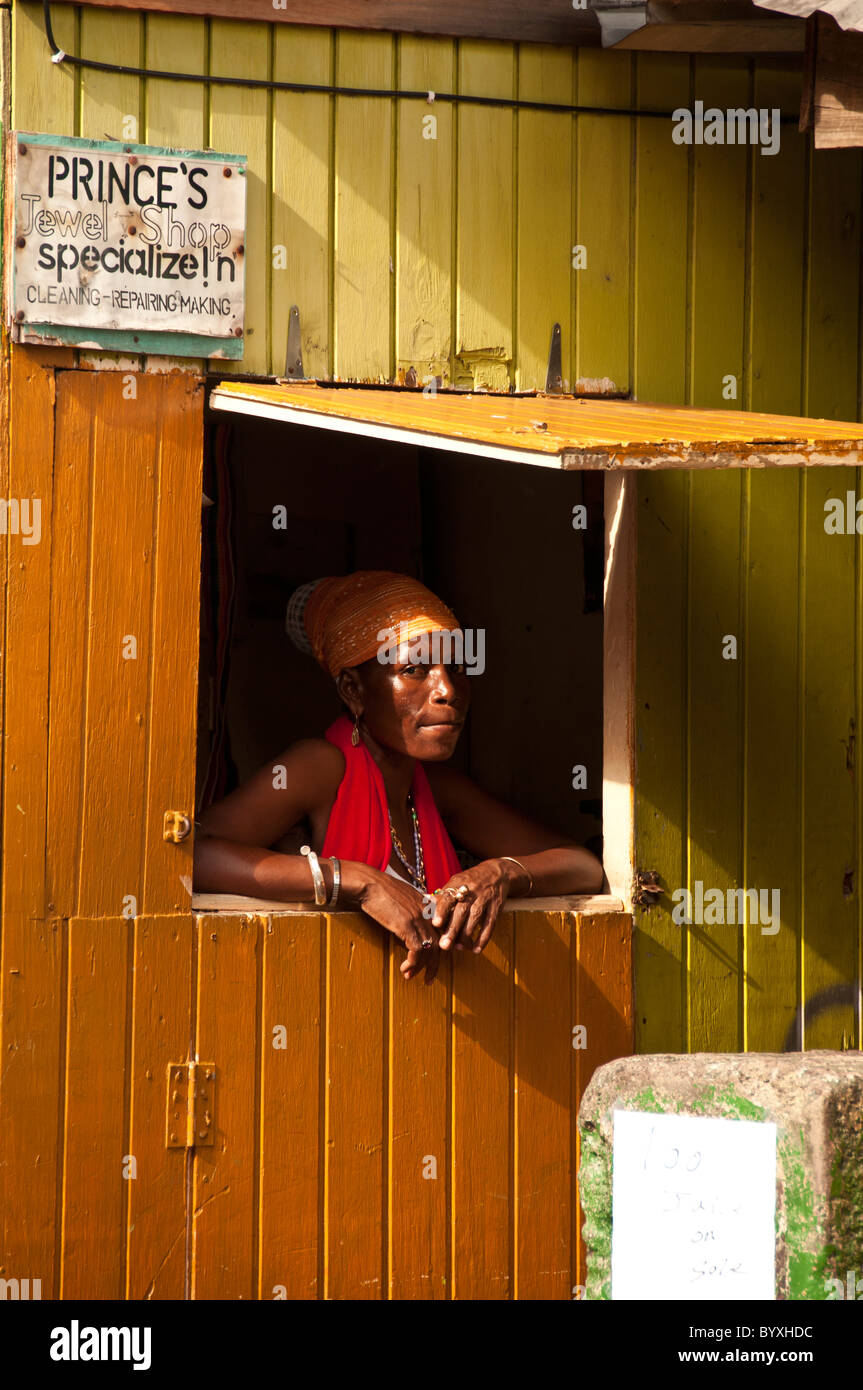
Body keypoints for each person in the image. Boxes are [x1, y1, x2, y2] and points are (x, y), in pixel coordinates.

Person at [193, 571, 604, 984]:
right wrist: (358, 880)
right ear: (354, 690)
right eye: (414, 670)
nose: (448, 689)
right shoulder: (320, 768)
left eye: (457, 667)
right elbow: (195, 853)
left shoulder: (434, 789)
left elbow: (582, 866)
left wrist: (499, 874)